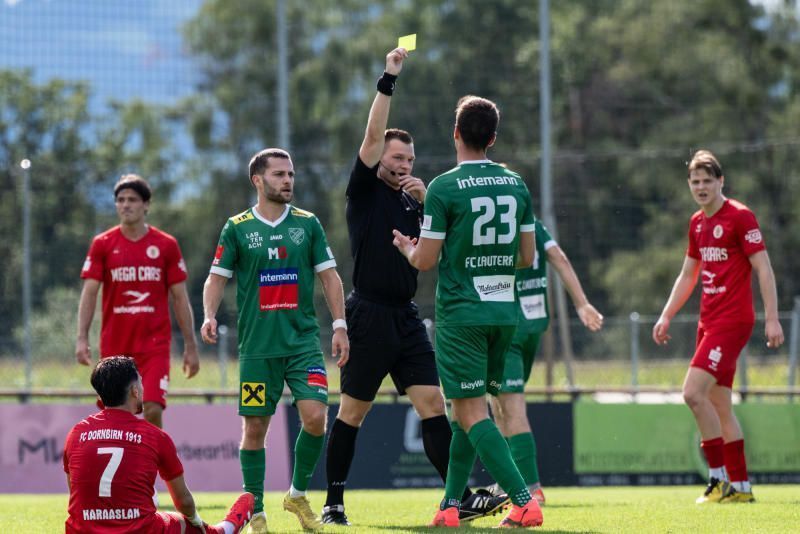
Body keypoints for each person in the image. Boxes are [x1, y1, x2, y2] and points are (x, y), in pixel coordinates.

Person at [322, 48, 507, 526]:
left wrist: (429, 208)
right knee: (353, 413)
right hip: (368, 314)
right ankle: (334, 502)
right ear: (378, 158)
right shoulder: (363, 192)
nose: (404, 163)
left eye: (410, 157)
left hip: (405, 316)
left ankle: (458, 499)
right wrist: (389, 77)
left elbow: (437, 256)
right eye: (396, 156)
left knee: (432, 404)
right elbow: (370, 133)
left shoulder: (417, 201)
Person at [393, 95, 543, 528]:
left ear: (455, 133)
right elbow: (525, 255)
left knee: (471, 412)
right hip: (503, 314)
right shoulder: (517, 185)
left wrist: (407, 247)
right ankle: (450, 507)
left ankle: (524, 501)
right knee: (465, 414)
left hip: (462, 316)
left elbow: (425, 261)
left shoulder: (443, 187)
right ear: (492, 138)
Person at [201, 148, 349, 533]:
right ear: (258, 180)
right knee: (255, 431)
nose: (288, 181)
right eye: (280, 174)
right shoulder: (237, 227)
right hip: (257, 349)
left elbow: (330, 277)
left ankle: (297, 494)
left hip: (302, 344)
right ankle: (257, 509)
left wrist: (339, 325)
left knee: (316, 417)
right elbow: (216, 278)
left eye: (291, 174)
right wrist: (209, 315)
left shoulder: (308, 224)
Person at [652, 149, 784, 504]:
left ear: (721, 181)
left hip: (732, 321)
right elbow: (687, 274)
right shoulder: (697, 222)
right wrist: (665, 314)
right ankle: (740, 487)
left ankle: (717, 477)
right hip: (708, 322)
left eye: (707, 180)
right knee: (720, 406)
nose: (700, 187)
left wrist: (772, 317)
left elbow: (764, 268)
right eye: (695, 181)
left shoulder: (740, 217)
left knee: (692, 393)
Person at [63, 356, 254, 533]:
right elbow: (184, 501)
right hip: (141, 530)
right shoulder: (154, 436)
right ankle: (223, 530)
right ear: (134, 391)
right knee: (179, 520)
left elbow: (77, 495)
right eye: (140, 381)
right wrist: (196, 524)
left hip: (82, 530)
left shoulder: (76, 433)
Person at [488, 218, 603, 505]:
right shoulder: (534, 225)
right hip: (533, 324)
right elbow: (559, 258)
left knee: (510, 408)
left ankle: (531, 486)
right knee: (499, 406)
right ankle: (507, 482)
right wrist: (582, 302)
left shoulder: (492, 225)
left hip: (508, 326)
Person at [76, 174, 199, 429]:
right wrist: (81, 338)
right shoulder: (103, 244)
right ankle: (126, 468)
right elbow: (89, 293)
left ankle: (151, 466)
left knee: (151, 408)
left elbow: (179, 297)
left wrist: (190, 345)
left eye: (132, 199)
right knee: (116, 418)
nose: (126, 205)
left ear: (146, 205)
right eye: (120, 200)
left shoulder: (166, 245)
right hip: (114, 348)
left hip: (154, 347)